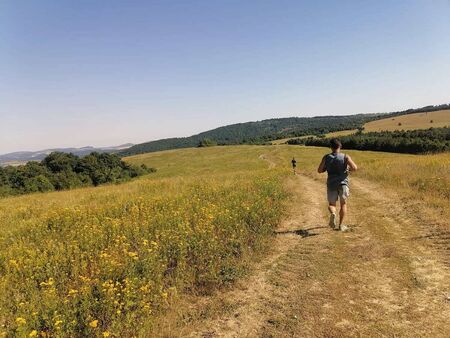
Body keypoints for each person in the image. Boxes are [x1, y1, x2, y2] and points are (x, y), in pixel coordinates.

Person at [317, 139, 357, 231]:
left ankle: (333, 214)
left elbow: (319, 170)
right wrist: (348, 169)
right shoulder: (345, 156)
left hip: (331, 184)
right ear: (340, 146)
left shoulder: (326, 157)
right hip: (343, 183)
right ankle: (341, 225)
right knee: (343, 204)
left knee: (332, 204)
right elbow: (354, 168)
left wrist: (325, 169)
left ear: (331, 147)